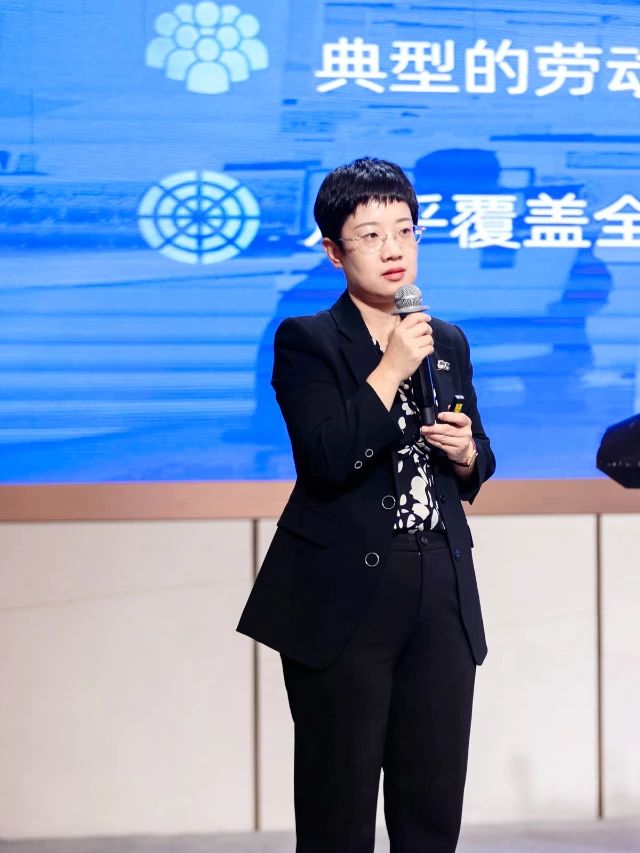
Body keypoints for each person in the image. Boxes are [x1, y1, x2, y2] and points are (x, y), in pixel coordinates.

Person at [237, 157, 494, 852]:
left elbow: (478, 458)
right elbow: (325, 458)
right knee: (339, 808)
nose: (392, 249)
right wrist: (390, 368)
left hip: (440, 587)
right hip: (344, 595)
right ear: (334, 251)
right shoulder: (308, 341)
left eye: (405, 231)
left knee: (431, 804)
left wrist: (466, 452)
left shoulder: (446, 339)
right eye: (371, 235)